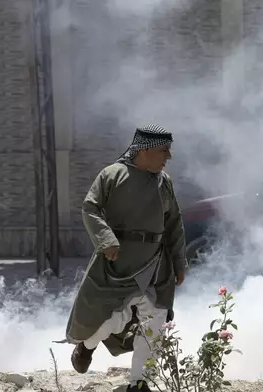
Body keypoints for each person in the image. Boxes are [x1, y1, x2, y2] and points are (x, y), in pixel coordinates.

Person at [63, 124, 188, 392]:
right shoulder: (112, 175)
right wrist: (106, 239)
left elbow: (174, 223)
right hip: (120, 264)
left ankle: (140, 382)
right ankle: (86, 347)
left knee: (156, 321)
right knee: (112, 320)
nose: (168, 157)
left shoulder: (164, 182)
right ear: (144, 149)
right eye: (164, 150)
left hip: (156, 264)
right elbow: (90, 208)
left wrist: (179, 262)